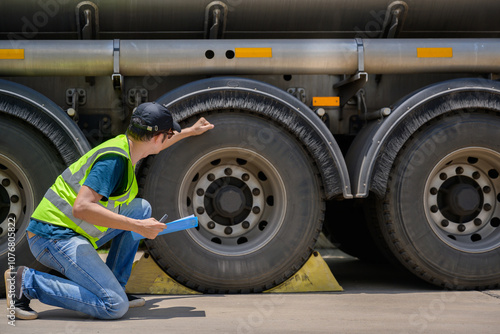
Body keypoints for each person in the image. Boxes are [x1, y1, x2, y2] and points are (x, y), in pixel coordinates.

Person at [4, 102, 214, 320]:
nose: (169, 137)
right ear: (155, 137)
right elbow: (82, 207)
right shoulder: (113, 161)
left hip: (69, 230)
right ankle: (26, 282)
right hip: (52, 237)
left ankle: (114, 283)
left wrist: (190, 131)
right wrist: (138, 227)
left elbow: (160, 143)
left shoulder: (129, 146)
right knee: (113, 305)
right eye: (168, 133)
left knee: (141, 209)